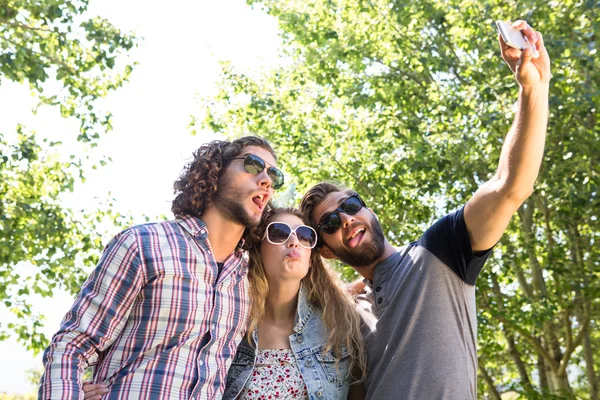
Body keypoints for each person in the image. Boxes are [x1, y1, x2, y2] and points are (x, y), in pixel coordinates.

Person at [299, 21, 551, 400]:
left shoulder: (438, 253)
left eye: (350, 206)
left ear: (368, 210)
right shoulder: (346, 314)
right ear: (327, 249)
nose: (347, 218)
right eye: (331, 222)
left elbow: (511, 185)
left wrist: (532, 89)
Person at [39, 136, 283, 399]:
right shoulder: (144, 244)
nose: (266, 179)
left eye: (275, 175)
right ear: (216, 170)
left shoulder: (250, 280)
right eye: (253, 164)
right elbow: (72, 346)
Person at [83, 207, 366, 400]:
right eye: (279, 233)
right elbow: (168, 369)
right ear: (257, 246)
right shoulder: (225, 323)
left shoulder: (338, 322)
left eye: (305, 236)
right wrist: (99, 389)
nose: (294, 242)